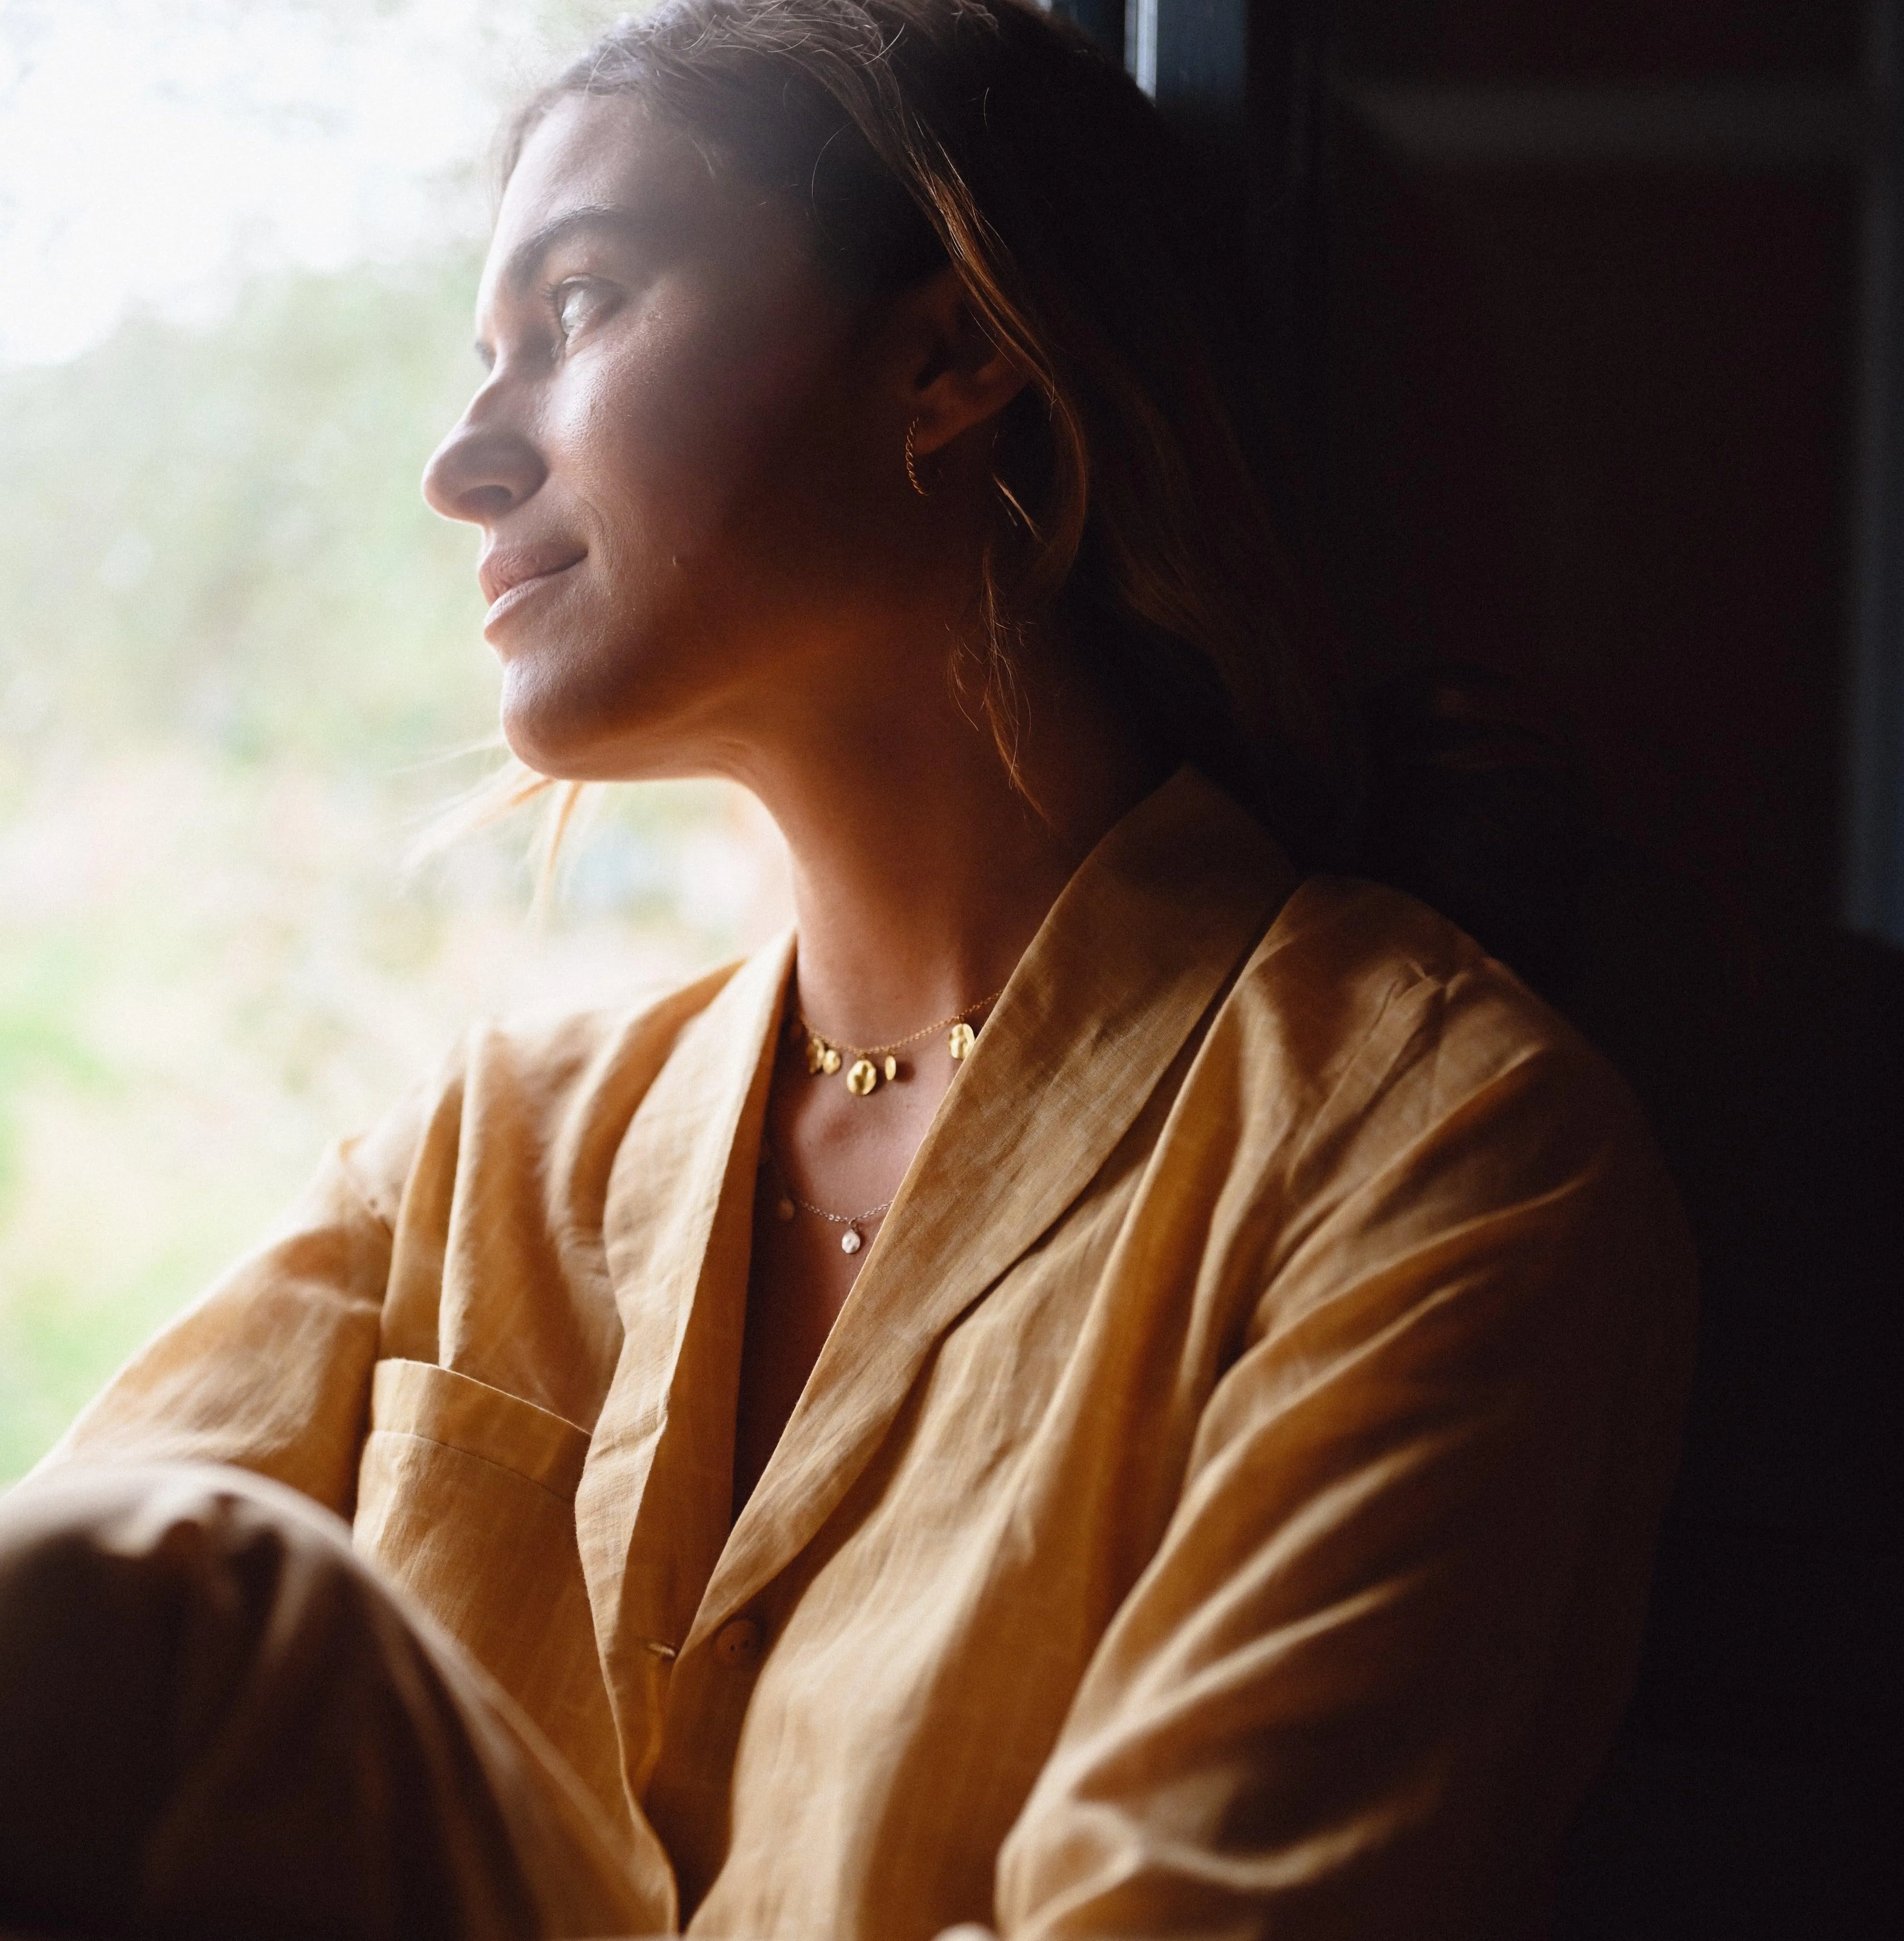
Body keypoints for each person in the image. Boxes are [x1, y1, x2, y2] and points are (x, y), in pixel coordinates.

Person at [0, 2, 1696, 1938]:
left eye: (579, 309)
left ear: (952, 350)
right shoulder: (480, 1163)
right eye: (487, 357)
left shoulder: (1429, 1154)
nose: (464, 461)